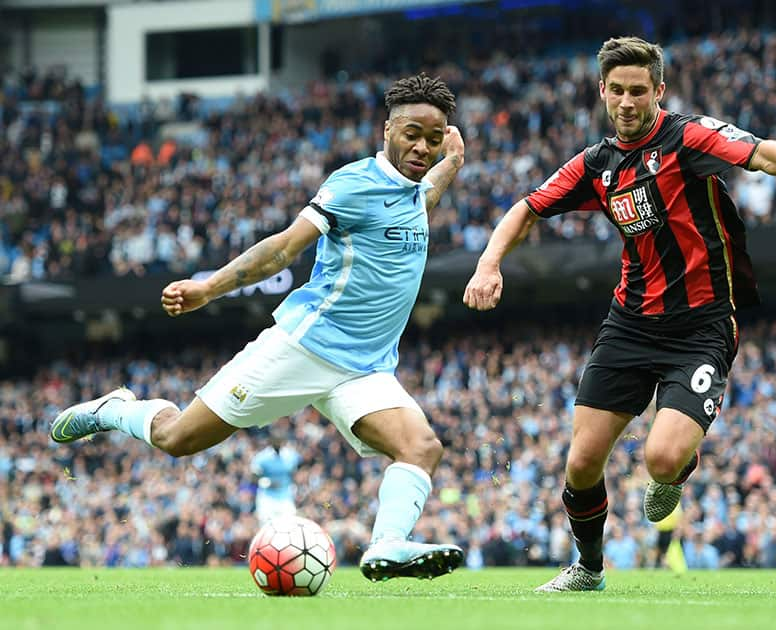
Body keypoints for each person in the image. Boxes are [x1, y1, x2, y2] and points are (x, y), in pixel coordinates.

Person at [463, 36, 776, 592]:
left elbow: (762, 153)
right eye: (617, 91)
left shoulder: (688, 137)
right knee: (581, 465)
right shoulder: (596, 163)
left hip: (701, 327)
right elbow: (527, 208)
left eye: (639, 90)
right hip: (629, 324)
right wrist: (489, 263)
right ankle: (587, 568)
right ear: (602, 92)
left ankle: (676, 473)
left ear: (659, 91)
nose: (628, 102)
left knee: (660, 460)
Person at [50, 73, 467, 582]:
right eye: (411, 133)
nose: (422, 146)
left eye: (434, 136)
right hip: (305, 346)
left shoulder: (413, 191)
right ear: (386, 130)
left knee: (422, 447)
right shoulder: (352, 184)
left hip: (366, 368)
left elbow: (423, 199)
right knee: (179, 438)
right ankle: (116, 409)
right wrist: (209, 287)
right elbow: (285, 248)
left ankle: (387, 545)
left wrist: (453, 163)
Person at [251, 430, 302, 524]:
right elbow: (253, 479)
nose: (278, 443)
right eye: (275, 440)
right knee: (267, 527)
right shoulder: (261, 458)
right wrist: (268, 483)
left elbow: (296, 472)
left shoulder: (291, 456)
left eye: (280, 440)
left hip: (285, 496)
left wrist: (296, 486)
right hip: (267, 498)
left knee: (289, 525)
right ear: (270, 441)